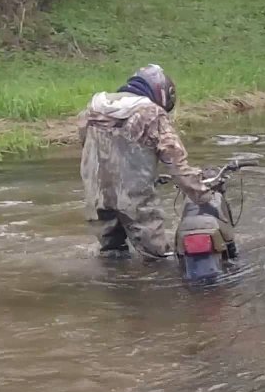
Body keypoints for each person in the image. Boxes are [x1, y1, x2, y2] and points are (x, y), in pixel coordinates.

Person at [78, 64, 209, 260]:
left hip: (97, 199)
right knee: (157, 260)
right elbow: (176, 162)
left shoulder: (93, 108)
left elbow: (86, 144)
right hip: (136, 203)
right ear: (161, 91)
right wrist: (202, 194)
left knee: (111, 257)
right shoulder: (151, 113)